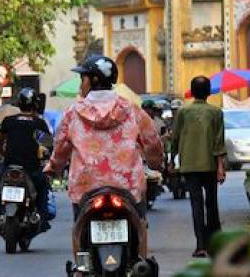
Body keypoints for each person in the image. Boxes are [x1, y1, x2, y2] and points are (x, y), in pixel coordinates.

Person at [44, 55, 163, 261]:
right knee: (140, 224)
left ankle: (81, 268)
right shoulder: (132, 109)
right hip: (127, 186)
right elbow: (152, 142)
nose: (81, 84)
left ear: (92, 81)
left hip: (86, 187)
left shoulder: (72, 114)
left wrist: (53, 167)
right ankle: (140, 265)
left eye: (83, 78)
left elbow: (60, 148)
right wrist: (155, 162)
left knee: (79, 229)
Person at [170, 76, 226, 258]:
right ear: (209, 92)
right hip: (209, 165)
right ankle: (214, 243)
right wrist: (220, 168)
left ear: (192, 92)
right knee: (211, 205)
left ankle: (200, 245)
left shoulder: (183, 113)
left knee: (196, 205)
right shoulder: (216, 112)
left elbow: (175, 138)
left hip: (190, 165)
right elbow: (219, 143)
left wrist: (172, 159)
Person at [0, 88, 52, 231]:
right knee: (43, 187)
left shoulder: (9, 121)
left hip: (9, 166)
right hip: (31, 168)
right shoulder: (39, 123)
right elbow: (48, 144)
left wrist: (1, 151)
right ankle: (42, 218)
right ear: (34, 105)